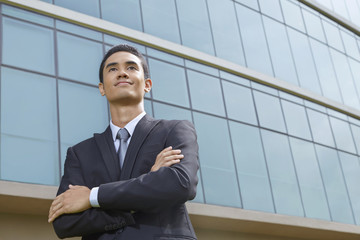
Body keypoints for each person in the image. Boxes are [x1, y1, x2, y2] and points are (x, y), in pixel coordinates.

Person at [48, 44, 199, 240]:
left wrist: (92, 197)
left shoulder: (174, 130)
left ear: (147, 84)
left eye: (131, 68)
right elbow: (64, 222)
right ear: (102, 88)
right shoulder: (80, 153)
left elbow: (181, 184)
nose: (122, 73)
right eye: (113, 69)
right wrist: (151, 182)